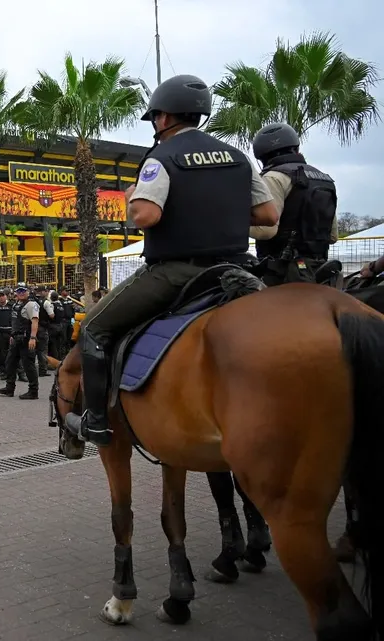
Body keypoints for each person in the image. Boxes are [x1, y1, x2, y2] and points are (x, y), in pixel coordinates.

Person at [63, 74, 278, 445]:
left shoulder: (160, 157)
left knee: (93, 330)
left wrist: (133, 195)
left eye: (155, 120)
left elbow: (146, 215)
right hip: (235, 268)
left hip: (178, 272)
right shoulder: (238, 157)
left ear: (163, 118)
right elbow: (269, 215)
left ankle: (97, 421)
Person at [249, 122, 338, 286]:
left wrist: (234, 225)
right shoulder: (324, 179)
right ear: (296, 148)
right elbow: (333, 237)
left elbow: (267, 231)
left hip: (282, 273)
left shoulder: (273, 177)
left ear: (262, 156)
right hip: (319, 270)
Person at [0, 285, 41, 400]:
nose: (21, 293)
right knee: (10, 363)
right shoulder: (16, 304)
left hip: (26, 339)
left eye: (23, 291)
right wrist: (13, 335)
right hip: (16, 339)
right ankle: (9, 388)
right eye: (18, 291)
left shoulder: (31, 305)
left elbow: (35, 322)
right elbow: (15, 322)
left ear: (28, 292)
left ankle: (33, 391)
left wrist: (32, 338)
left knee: (28, 366)